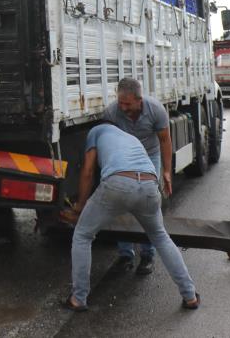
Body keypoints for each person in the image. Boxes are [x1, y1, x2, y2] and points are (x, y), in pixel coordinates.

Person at [63, 122, 200, 311]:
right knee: (160, 237)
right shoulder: (131, 138)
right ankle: (190, 295)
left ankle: (78, 299)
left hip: (118, 183)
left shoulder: (96, 131)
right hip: (150, 186)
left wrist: (80, 207)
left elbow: (87, 172)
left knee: (82, 235)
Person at [102, 77, 171, 274]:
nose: (123, 107)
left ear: (139, 100)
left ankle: (147, 254)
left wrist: (166, 171)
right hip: (122, 156)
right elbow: (106, 142)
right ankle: (125, 254)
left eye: (127, 104)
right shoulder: (111, 112)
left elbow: (165, 141)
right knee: (120, 202)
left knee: (146, 203)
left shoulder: (155, 110)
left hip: (150, 154)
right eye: (120, 102)